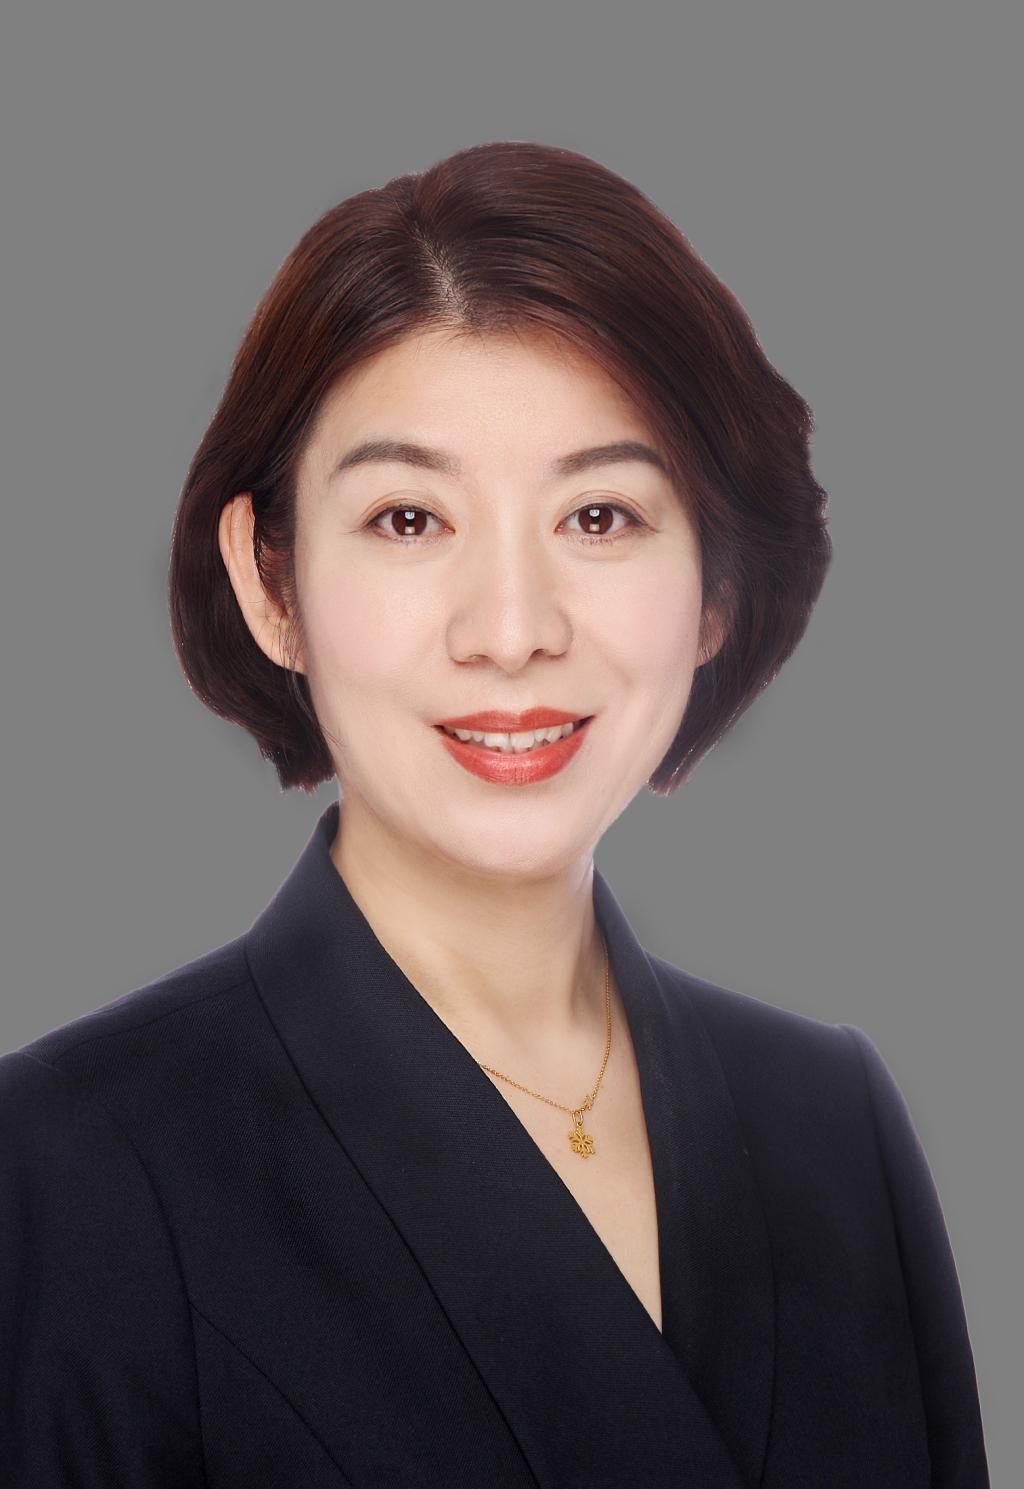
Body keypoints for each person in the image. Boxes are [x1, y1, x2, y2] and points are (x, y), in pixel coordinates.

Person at [0, 141, 989, 1488]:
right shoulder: (73, 1166)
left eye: (601, 514)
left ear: (717, 589)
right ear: (271, 582)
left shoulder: (833, 1124)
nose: (513, 629)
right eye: (410, 519)